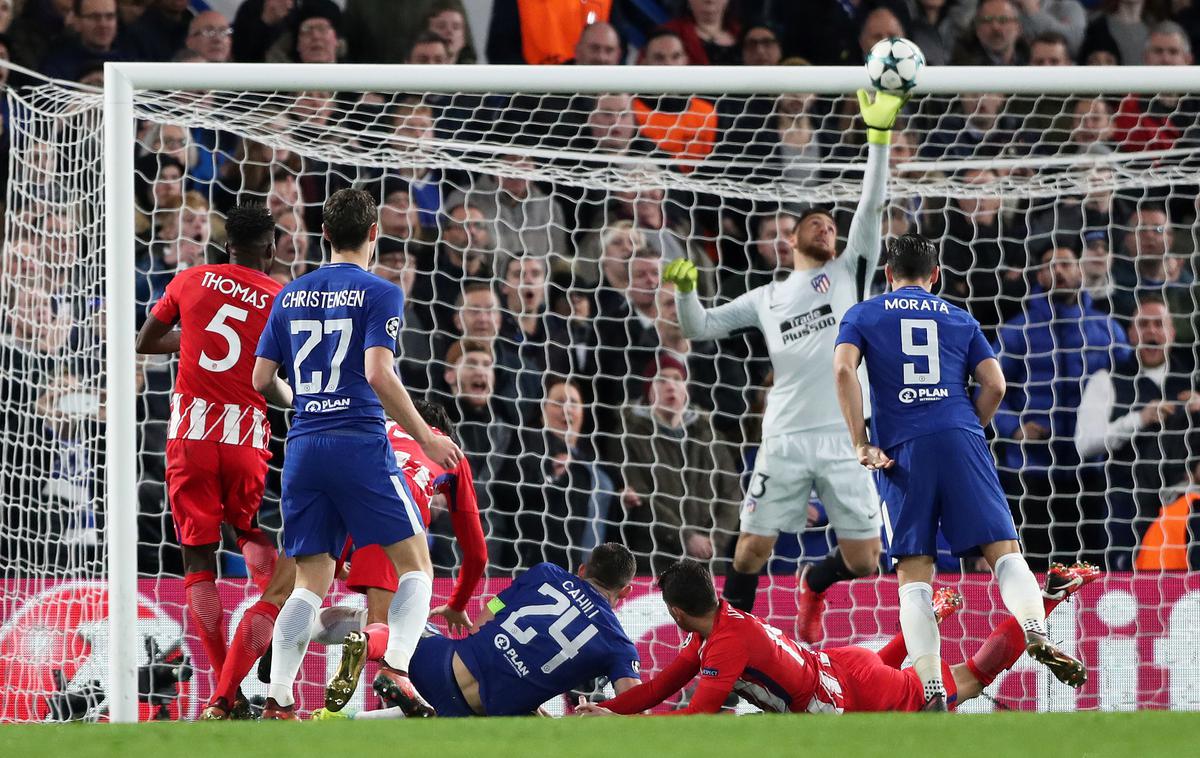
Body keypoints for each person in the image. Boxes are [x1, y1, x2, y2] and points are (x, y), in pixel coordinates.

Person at [661, 89, 905, 642]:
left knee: (865, 560)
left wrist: (879, 139)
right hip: (786, 437)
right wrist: (684, 294)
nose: (828, 229)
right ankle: (727, 648)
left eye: (831, 226)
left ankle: (813, 584)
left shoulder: (850, 273)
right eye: (816, 223)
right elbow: (698, 327)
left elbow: (871, 205)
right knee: (750, 550)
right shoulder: (766, 297)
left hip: (848, 438)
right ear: (790, 239)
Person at [833, 233, 1086, 710]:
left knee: (915, 574)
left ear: (888, 274)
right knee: (1004, 552)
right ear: (936, 277)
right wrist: (967, 429)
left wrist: (861, 443)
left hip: (902, 450)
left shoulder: (863, 314)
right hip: (961, 434)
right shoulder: (961, 317)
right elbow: (995, 383)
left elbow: (845, 372)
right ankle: (1034, 628)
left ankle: (930, 684)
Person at [251, 188, 463, 719]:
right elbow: (376, 372)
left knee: (309, 581)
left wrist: (303, 402)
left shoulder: (289, 293)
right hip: (359, 441)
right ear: (374, 234)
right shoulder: (381, 292)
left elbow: (260, 379)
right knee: (416, 566)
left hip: (302, 446)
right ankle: (394, 667)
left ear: (323, 235)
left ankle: (277, 700)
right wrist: (426, 436)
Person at [576, 558, 1095, 716]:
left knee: (972, 681)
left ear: (675, 611)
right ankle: (928, 620)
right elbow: (657, 689)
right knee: (926, 677)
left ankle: (1046, 595)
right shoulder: (719, 623)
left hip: (850, 691)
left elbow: (693, 719)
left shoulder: (724, 645)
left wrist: (624, 726)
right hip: (842, 669)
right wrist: (611, 711)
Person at [134, 204, 290, 709]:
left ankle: (228, 689)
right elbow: (285, 366)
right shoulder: (280, 297)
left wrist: (194, 338)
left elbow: (146, 341)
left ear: (227, 246)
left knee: (199, 558)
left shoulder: (190, 279)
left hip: (192, 436)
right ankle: (272, 616)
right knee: (247, 530)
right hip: (246, 438)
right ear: (269, 251)